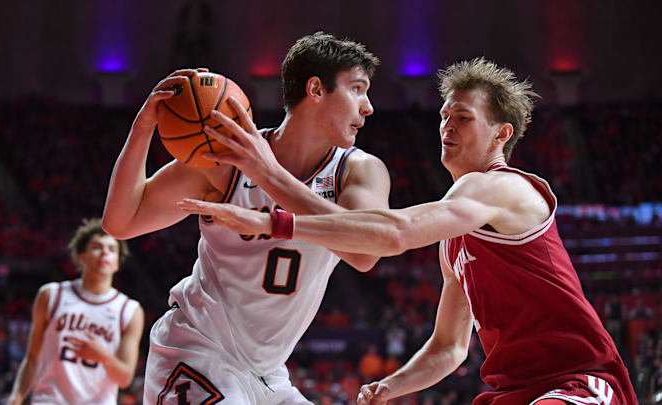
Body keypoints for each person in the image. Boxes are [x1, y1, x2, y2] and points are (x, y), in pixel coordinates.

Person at [178, 57, 638, 405]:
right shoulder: (455, 236)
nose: (445, 126)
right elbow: (449, 347)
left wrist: (273, 218)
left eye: (462, 118)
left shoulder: (501, 187)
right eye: (443, 116)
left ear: (501, 134)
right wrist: (389, 386)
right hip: (515, 393)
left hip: (577, 381)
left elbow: (395, 232)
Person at [102, 32, 390, 404]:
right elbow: (121, 222)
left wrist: (272, 177)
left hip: (267, 373)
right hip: (197, 349)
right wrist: (143, 129)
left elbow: (365, 253)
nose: (367, 107)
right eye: (357, 89)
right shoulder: (223, 159)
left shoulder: (360, 172)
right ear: (316, 89)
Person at [8, 218, 144, 405]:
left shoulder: (129, 310)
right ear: (82, 257)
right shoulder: (51, 295)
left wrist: (103, 356)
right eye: (97, 247)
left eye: (112, 250)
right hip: (49, 400)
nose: (105, 253)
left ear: (117, 263)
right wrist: (17, 396)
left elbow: (125, 378)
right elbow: (32, 358)